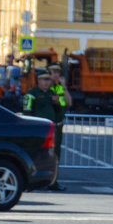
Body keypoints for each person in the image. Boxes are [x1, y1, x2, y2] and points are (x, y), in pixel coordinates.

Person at [46, 63, 71, 191]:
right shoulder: (46, 89)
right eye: (53, 72)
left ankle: (53, 181)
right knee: (47, 155)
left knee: (56, 156)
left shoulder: (58, 88)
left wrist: (64, 87)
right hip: (49, 126)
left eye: (57, 72)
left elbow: (67, 102)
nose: (56, 75)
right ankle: (45, 181)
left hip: (58, 126)